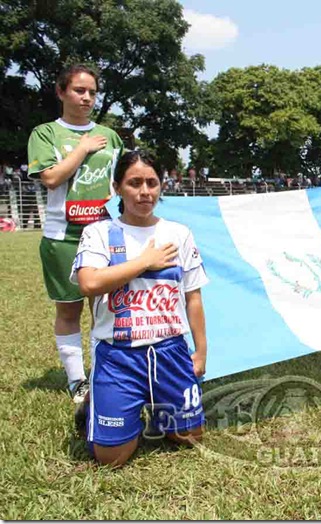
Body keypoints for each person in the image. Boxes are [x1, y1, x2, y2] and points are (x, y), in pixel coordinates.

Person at [71, 150, 208, 467]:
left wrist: (200, 351)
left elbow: (193, 297)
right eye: (134, 183)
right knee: (111, 459)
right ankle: (102, 404)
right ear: (117, 187)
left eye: (152, 182)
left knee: (189, 437)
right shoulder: (99, 232)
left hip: (170, 352)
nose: (144, 191)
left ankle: (157, 404)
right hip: (119, 355)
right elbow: (89, 283)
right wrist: (144, 262)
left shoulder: (179, 233)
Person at [27, 64, 124, 404]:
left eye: (92, 92)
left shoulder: (110, 137)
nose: (86, 97)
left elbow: (122, 181)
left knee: (106, 308)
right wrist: (82, 149)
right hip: (63, 237)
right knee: (69, 310)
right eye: (79, 90)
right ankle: (76, 380)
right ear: (61, 92)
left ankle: (104, 374)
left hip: (104, 235)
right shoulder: (45, 133)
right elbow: (51, 178)